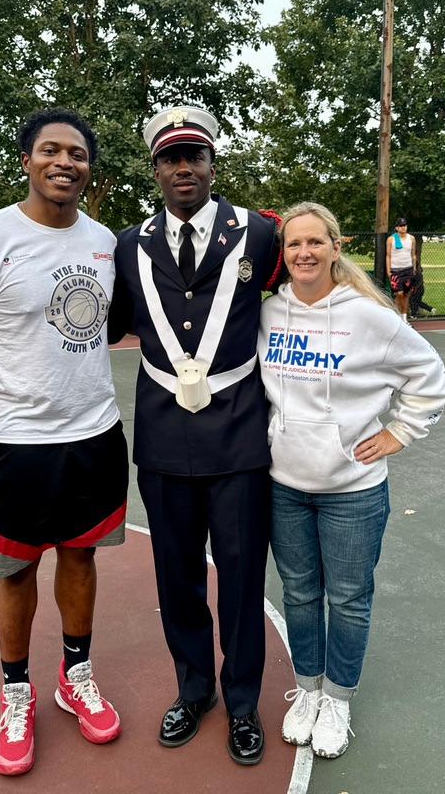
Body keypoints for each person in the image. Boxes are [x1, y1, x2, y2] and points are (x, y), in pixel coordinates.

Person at [0, 108, 128, 776]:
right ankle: (15, 692)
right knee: (15, 571)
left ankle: (75, 676)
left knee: (80, 557)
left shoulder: (104, 243)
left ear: (88, 168)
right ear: (26, 160)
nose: (64, 162)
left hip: (94, 436)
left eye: (77, 153)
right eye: (51, 150)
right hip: (11, 443)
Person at [109, 106, 282, 765]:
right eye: (171, 159)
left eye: (195, 156)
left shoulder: (259, 233)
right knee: (176, 576)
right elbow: (112, 323)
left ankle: (242, 702)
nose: (184, 167)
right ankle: (193, 689)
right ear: (155, 170)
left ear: (212, 165)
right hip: (163, 435)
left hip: (239, 433)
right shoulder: (129, 244)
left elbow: (303, 293)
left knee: (240, 576)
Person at [259, 202, 445, 758]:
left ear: (336, 248)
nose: (304, 253)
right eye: (294, 244)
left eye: (315, 242)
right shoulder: (270, 314)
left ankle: (338, 698)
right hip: (285, 485)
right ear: (283, 253)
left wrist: (398, 433)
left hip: (353, 491)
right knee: (299, 593)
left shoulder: (369, 317)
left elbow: (429, 376)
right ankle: (309, 690)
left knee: (347, 598)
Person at [386, 216, 416, 320]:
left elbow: (413, 254)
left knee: (406, 294)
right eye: (401, 226)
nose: (403, 227)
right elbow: (388, 256)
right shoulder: (391, 239)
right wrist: (388, 271)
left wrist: (414, 267)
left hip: (408, 269)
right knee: (399, 294)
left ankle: (404, 317)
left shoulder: (411, 238)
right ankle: (396, 316)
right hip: (396, 270)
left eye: (404, 225)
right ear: (397, 228)